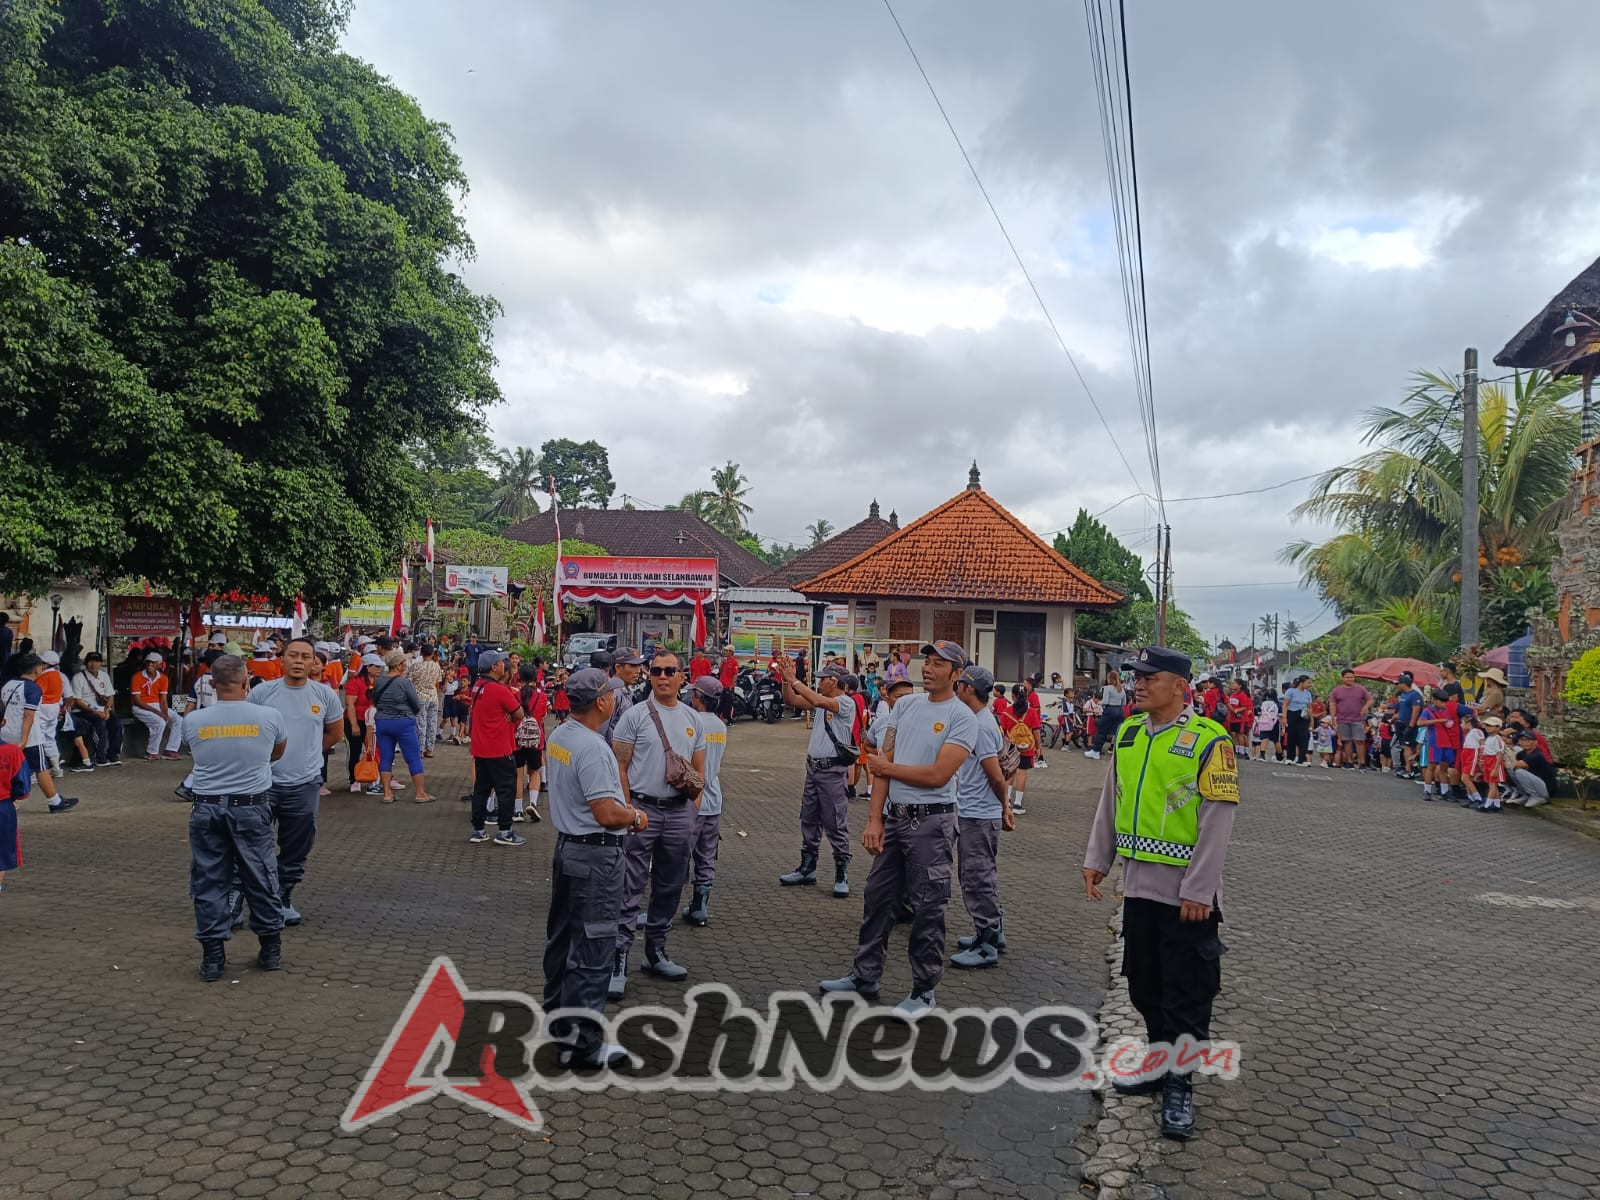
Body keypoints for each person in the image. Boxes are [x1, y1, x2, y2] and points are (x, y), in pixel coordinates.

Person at [1082, 646, 1239, 1141]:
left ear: (1178, 685)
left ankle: (1179, 1084)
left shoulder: (1210, 741)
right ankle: (1156, 1063)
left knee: (1188, 991)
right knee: (1144, 982)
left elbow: (1217, 821)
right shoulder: (1128, 734)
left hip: (1187, 895)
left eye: (1150, 678)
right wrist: (1097, 859)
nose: (1139, 685)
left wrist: (1200, 888)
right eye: (1137, 678)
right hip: (1139, 888)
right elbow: (1113, 799)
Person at [821, 640, 978, 1018]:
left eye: (940, 664)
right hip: (895, 817)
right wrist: (875, 817)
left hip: (933, 821)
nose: (929, 668)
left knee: (928, 906)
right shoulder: (905, 705)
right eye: (928, 661)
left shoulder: (962, 718)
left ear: (957, 675)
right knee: (878, 897)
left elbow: (939, 774)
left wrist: (888, 769)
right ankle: (865, 975)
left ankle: (924, 990)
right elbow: (881, 761)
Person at [541, 667, 640, 1070]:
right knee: (594, 948)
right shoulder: (593, 747)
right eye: (612, 692)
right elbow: (605, 812)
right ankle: (582, 1045)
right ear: (601, 702)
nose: (616, 697)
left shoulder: (561, 734)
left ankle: (559, 1024)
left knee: (563, 940)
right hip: (596, 854)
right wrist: (634, 816)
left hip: (569, 849)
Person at [182, 654, 289, 982]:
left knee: (209, 880)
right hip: (252, 808)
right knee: (261, 877)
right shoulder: (270, 716)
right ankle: (270, 949)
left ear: (211, 684)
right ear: (247, 682)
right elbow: (276, 753)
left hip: (206, 808)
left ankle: (213, 956)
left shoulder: (193, 720)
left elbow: (195, 753)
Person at [607, 650, 707, 1000]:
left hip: (679, 813)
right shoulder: (634, 717)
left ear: (682, 677)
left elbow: (698, 769)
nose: (663, 677)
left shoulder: (693, 717)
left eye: (670, 671)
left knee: (671, 883)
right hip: (643, 811)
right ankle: (618, 958)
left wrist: (693, 809)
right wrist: (628, 807)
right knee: (630, 885)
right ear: (649, 677)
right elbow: (620, 766)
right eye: (657, 671)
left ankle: (656, 951)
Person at [248, 637, 345, 927]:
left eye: (306, 656)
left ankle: (282, 896)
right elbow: (250, 733)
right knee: (252, 843)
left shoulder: (324, 695)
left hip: (304, 785)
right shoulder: (262, 693)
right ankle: (242, 896)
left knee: (296, 846)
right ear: (282, 659)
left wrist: (308, 754)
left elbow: (334, 733)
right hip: (262, 783)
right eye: (293, 655)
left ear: (315, 662)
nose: (299, 661)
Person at [774, 658, 858, 896]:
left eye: (823, 679)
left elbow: (818, 699)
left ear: (834, 681)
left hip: (832, 771)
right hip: (814, 770)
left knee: (835, 821)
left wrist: (794, 679)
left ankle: (841, 872)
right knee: (809, 818)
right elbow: (792, 700)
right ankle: (807, 868)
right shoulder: (821, 703)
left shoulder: (844, 703)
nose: (819, 682)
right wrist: (785, 681)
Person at [948, 665, 1013, 969]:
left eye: (959, 684)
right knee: (979, 873)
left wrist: (1005, 806)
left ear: (969, 690)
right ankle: (992, 932)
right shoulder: (978, 720)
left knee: (976, 877)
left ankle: (987, 943)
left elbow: (996, 776)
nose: (956, 688)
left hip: (978, 814)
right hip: (973, 810)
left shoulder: (981, 725)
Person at [0, 654, 77, 813]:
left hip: (5, 732)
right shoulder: (33, 689)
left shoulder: (8, 684)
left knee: (9, 768)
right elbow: (29, 715)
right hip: (29, 737)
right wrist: (23, 740)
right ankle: (55, 801)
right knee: (41, 768)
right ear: (36, 669)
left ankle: (10, 799)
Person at [681, 676, 728, 927]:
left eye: (693, 694)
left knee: (679, 855)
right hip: (713, 800)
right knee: (707, 855)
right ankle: (700, 907)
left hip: (691, 801)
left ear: (699, 697)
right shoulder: (720, 726)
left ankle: (666, 905)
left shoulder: (692, 723)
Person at [465, 650, 525, 845]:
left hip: (481, 747)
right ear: (494, 667)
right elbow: (519, 713)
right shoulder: (498, 690)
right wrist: (508, 713)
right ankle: (505, 831)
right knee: (506, 789)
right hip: (499, 748)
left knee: (481, 789)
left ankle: (478, 829)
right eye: (502, 662)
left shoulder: (478, 686)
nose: (505, 665)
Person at [371, 651, 432, 804]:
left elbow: (374, 699)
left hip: (383, 722)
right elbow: (416, 705)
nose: (405, 666)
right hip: (403, 723)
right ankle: (420, 793)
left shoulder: (379, 681)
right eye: (403, 663)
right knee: (413, 758)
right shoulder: (404, 683)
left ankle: (386, 794)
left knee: (386, 757)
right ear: (398, 665)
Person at [71, 651, 122, 767]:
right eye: (91, 661)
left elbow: (110, 695)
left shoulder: (104, 675)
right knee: (100, 724)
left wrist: (107, 710)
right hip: (85, 710)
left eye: (96, 662)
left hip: (103, 710)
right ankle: (100, 756)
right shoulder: (78, 677)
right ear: (86, 663)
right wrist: (96, 712)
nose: (93, 664)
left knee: (117, 723)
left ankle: (113, 754)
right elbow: (77, 701)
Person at [132, 652, 184, 760]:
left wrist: (164, 712)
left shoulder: (163, 678)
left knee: (179, 720)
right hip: (141, 707)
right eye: (148, 662)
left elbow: (163, 699)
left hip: (157, 705)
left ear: (159, 664)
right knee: (160, 722)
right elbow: (137, 701)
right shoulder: (137, 677)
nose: (150, 664)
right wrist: (158, 713)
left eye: (153, 662)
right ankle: (151, 752)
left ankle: (171, 749)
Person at [514, 662, 548, 823]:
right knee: (534, 772)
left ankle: (518, 810)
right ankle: (533, 803)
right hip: (536, 741)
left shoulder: (515, 695)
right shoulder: (542, 696)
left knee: (518, 774)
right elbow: (543, 715)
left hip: (517, 740)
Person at [343, 653, 381, 794]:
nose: (379, 669)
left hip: (373, 722)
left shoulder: (378, 682)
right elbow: (350, 704)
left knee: (374, 750)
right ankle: (354, 779)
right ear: (367, 667)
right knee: (355, 750)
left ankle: (374, 778)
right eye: (376, 666)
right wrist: (354, 725)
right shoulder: (355, 682)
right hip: (356, 720)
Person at [997, 687, 1034, 816]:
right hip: (1026, 748)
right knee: (1022, 774)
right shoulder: (1032, 712)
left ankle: (1006, 801)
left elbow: (1002, 731)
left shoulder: (1006, 712)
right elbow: (1036, 731)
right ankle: (1017, 804)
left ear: (1013, 696)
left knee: (1008, 774)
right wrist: (1039, 747)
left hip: (1010, 748)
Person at [1328, 669, 1373, 770]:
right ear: (1342, 678)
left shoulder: (1361, 689)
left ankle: (1362, 763)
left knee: (1359, 741)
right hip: (1342, 719)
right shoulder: (1336, 690)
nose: (1350, 679)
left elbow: (1370, 700)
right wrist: (1333, 718)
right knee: (1346, 741)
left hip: (1358, 719)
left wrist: (1366, 707)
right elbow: (1332, 704)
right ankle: (1349, 762)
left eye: (1352, 677)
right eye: (1347, 677)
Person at [600, 648, 645, 743]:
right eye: (633, 666)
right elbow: (601, 731)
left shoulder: (625, 690)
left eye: (639, 666)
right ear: (618, 668)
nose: (638, 671)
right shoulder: (613, 693)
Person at [34, 650, 67, 775]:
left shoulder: (44, 677)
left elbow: (37, 694)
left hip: (42, 708)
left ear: (46, 664)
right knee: (49, 738)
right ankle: (56, 768)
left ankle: (39, 771)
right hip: (54, 707)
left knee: (37, 739)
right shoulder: (58, 675)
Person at [409, 644, 443, 758]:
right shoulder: (436, 666)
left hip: (419, 697)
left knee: (420, 723)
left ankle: (420, 749)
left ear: (421, 653)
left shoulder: (416, 666)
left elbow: (409, 681)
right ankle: (430, 749)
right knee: (432, 723)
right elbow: (438, 681)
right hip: (433, 696)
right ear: (432, 654)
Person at [1509, 728, 1556, 808]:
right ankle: (1525, 795)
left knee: (1518, 772)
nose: (1524, 742)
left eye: (1527, 740)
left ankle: (1538, 796)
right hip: (1535, 783)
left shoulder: (1537, 754)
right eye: (1522, 740)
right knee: (1512, 772)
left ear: (1535, 742)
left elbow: (1515, 765)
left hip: (1546, 788)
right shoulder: (1521, 754)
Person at [1087, 673, 1126, 760]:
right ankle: (1119, 752)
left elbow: (1105, 701)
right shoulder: (1121, 689)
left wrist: (1099, 703)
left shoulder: (1107, 688)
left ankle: (1096, 751)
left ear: (1109, 679)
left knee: (1102, 731)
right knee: (1118, 732)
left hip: (1110, 710)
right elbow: (1124, 703)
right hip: (1120, 711)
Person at [1477, 717, 1508, 812]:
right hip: (1488, 760)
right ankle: (1497, 805)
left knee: (1493, 784)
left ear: (1498, 727)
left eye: (1490, 726)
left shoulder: (1498, 739)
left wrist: (1495, 768)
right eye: (1487, 725)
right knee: (1491, 783)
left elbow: (1499, 755)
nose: (1487, 727)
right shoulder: (1489, 738)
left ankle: (1487, 805)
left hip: (1494, 761)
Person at [1281, 675, 1313, 765]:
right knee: (1291, 736)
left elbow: (1310, 708)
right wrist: (1284, 717)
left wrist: (1312, 721)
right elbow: (1285, 704)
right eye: (1308, 682)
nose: (1309, 684)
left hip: (1303, 715)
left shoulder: (1308, 693)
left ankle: (1302, 758)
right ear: (1301, 683)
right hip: (1292, 714)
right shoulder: (1291, 691)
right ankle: (1290, 757)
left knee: (1304, 737)